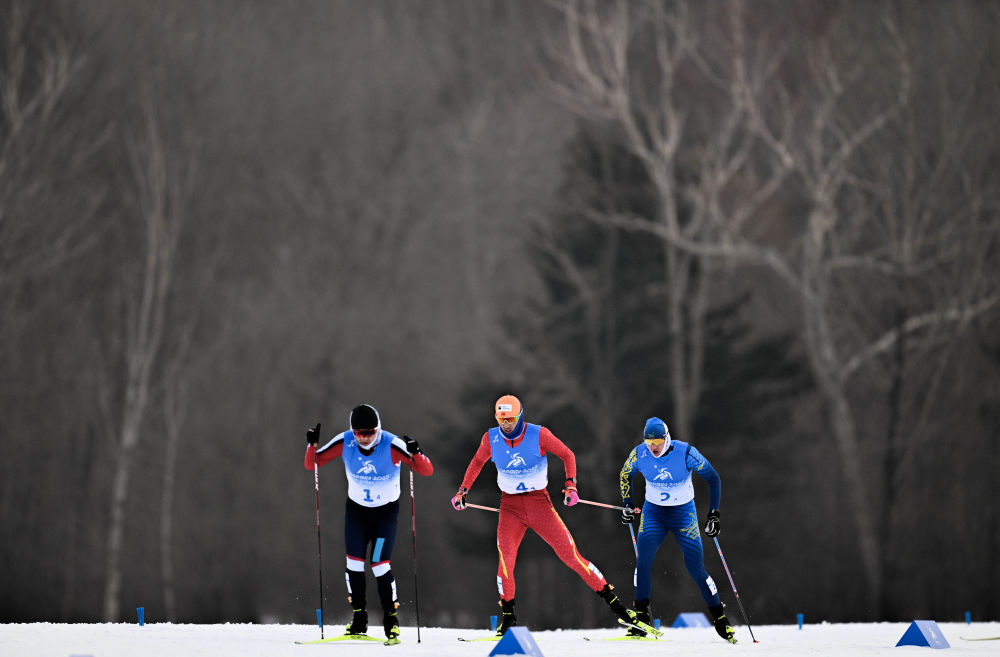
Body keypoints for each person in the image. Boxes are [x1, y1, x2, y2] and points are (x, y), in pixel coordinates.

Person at [451, 394, 645, 636]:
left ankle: (622, 611)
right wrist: (463, 491)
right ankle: (509, 619)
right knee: (505, 563)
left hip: (539, 504)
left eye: (510, 419)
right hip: (510, 507)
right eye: (501, 420)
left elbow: (567, 455)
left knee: (571, 556)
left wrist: (571, 485)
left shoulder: (539, 434)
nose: (506, 425)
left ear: (520, 415)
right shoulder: (490, 438)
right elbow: (477, 462)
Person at [304, 403, 433, 642]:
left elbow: (425, 470)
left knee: (379, 564)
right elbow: (313, 463)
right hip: (357, 513)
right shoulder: (345, 442)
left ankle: (391, 620)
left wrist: (416, 453)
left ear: (378, 429)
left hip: (385, 515)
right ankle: (359, 618)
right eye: (359, 433)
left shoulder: (392, 445)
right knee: (353, 563)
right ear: (352, 431)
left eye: (370, 432)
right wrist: (311, 445)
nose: (364, 438)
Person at [618, 416, 736, 643]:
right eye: (649, 442)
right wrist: (628, 504)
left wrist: (714, 514)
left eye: (658, 442)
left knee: (695, 568)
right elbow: (625, 474)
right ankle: (641, 618)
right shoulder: (639, 453)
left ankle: (720, 617)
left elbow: (713, 478)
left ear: (667, 438)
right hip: (653, 514)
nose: (653, 447)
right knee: (643, 560)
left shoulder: (685, 452)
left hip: (684, 515)